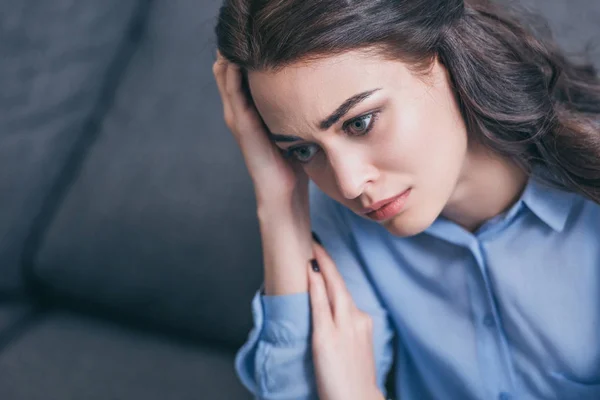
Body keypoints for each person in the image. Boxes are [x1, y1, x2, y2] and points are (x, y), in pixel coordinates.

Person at [212, 0, 600, 398]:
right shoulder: (343, 217)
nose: (349, 184)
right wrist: (279, 202)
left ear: (444, 60)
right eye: (303, 151)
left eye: (360, 122)